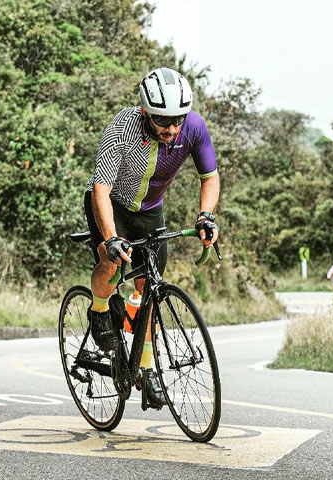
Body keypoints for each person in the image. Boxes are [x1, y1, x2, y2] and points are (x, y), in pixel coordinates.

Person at [84, 67, 219, 409]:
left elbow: (210, 178)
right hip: (111, 204)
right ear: (145, 111)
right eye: (163, 120)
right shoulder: (121, 129)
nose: (172, 128)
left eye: (177, 119)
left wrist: (206, 216)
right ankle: (99, 309)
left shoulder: (194, 127)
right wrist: (112, 238)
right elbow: (101, 190)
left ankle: (146, 369)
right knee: (109, 259)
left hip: (150, 211)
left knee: (150, 288)